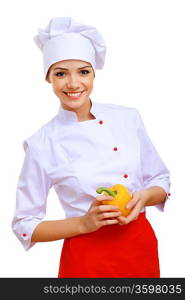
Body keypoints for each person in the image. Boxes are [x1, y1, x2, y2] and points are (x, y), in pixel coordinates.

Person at [12, 17, 171, 278]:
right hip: (87, 257)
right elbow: (24, 225)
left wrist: (144, 197)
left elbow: (160, 180)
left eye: (83, 72)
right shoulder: (41, 143)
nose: (73, 84)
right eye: (61, 73)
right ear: (48, 78)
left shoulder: (128, 118)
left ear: (93, 74)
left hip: (139, 246)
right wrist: (84, 224)